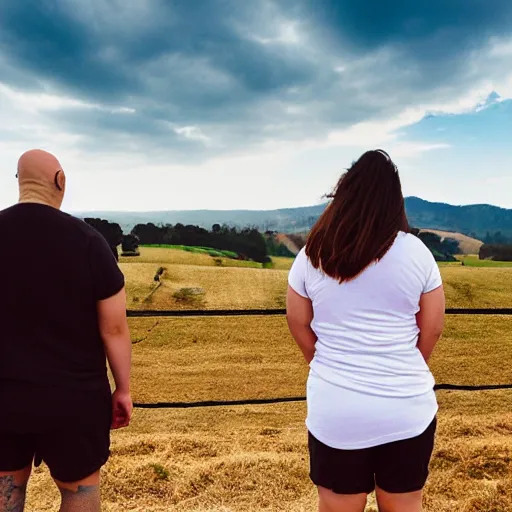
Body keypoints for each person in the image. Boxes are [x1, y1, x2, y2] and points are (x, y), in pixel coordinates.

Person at [286, 150, 445, 512]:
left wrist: (324, 362)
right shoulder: (417, 253)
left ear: (343, 195)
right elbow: (432, 327)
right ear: (395, 199)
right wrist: (407, 364)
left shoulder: (312, 254)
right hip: (407, 408)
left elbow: (297, 321)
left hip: (336, 408)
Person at [0, 150, 133, 512]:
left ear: (19, 182)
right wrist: (122, 389)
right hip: (74, 399)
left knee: (5, 491)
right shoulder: (90, 242)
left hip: (3, 395)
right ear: (60, 180)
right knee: (79, 495)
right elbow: (115, 329)